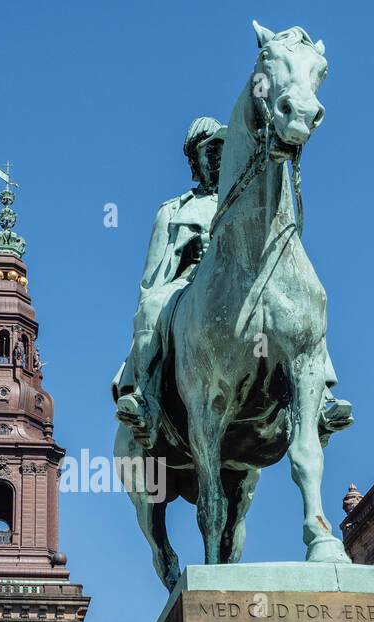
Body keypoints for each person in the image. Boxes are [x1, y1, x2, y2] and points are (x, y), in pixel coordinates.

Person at [112, 116, 226, 446]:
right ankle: (143, 395)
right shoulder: (173, 211)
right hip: (187, 285)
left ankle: (317, 398)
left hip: (241, 283)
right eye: (210, 150)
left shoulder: (244, 200)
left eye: (222, 147)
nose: (218, 156)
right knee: (150, 308)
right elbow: (152, 279)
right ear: (196, 161)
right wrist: (193, 250)